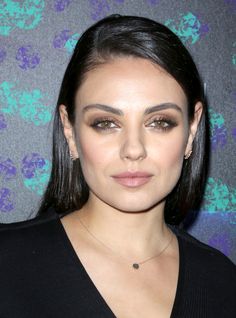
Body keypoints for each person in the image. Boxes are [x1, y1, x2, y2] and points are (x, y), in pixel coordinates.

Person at [0, 14, 235, 318]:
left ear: (191, 130)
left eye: (160, 122)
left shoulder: (224, 284)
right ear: (70, 131)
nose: (133, 150)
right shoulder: (6, 262)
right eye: (106, 123)